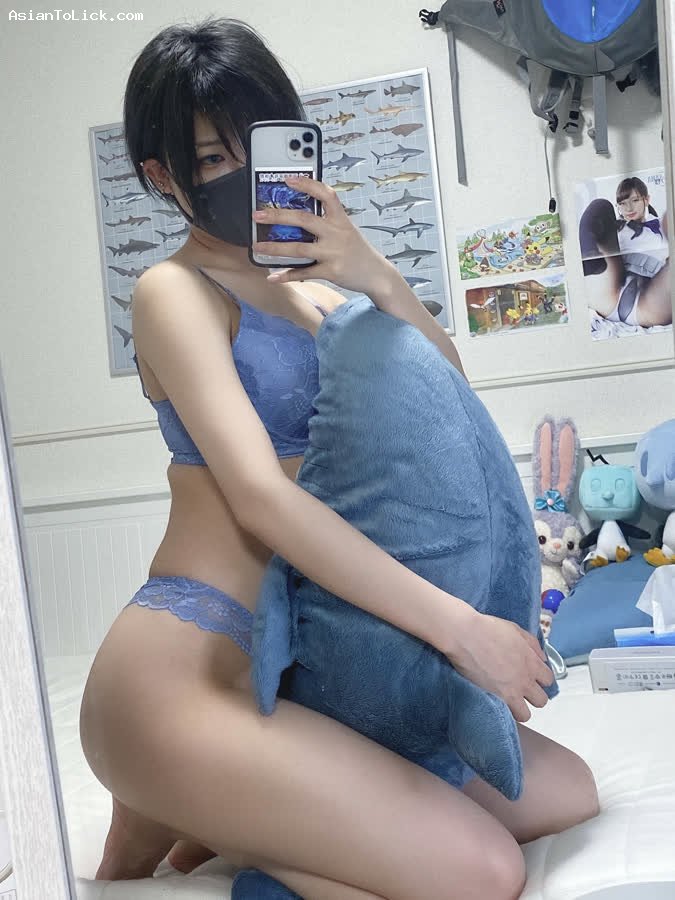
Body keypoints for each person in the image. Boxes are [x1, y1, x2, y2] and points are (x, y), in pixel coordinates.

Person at [79, 17, 599, 900]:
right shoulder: (173, 290)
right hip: (187, 675)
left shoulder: (319, 293)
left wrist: (374, 274)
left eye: (257, 145)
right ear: (161, 176)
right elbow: (260, 497)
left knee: (567, 791)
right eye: (211, 158)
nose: (243, 173)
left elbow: (447, 408)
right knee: (481, 872)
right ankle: (192, 800)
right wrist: (459, 629)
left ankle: (222, 815)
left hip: (310, 670)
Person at [579, 176, 671, 328]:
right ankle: (588, 254)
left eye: (635, 200)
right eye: (622, 203)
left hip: (649, 301)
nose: (628, 208)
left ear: (646, 200)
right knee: (601, 205)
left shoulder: (660, 226)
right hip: (611, 290)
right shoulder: (617, 228)